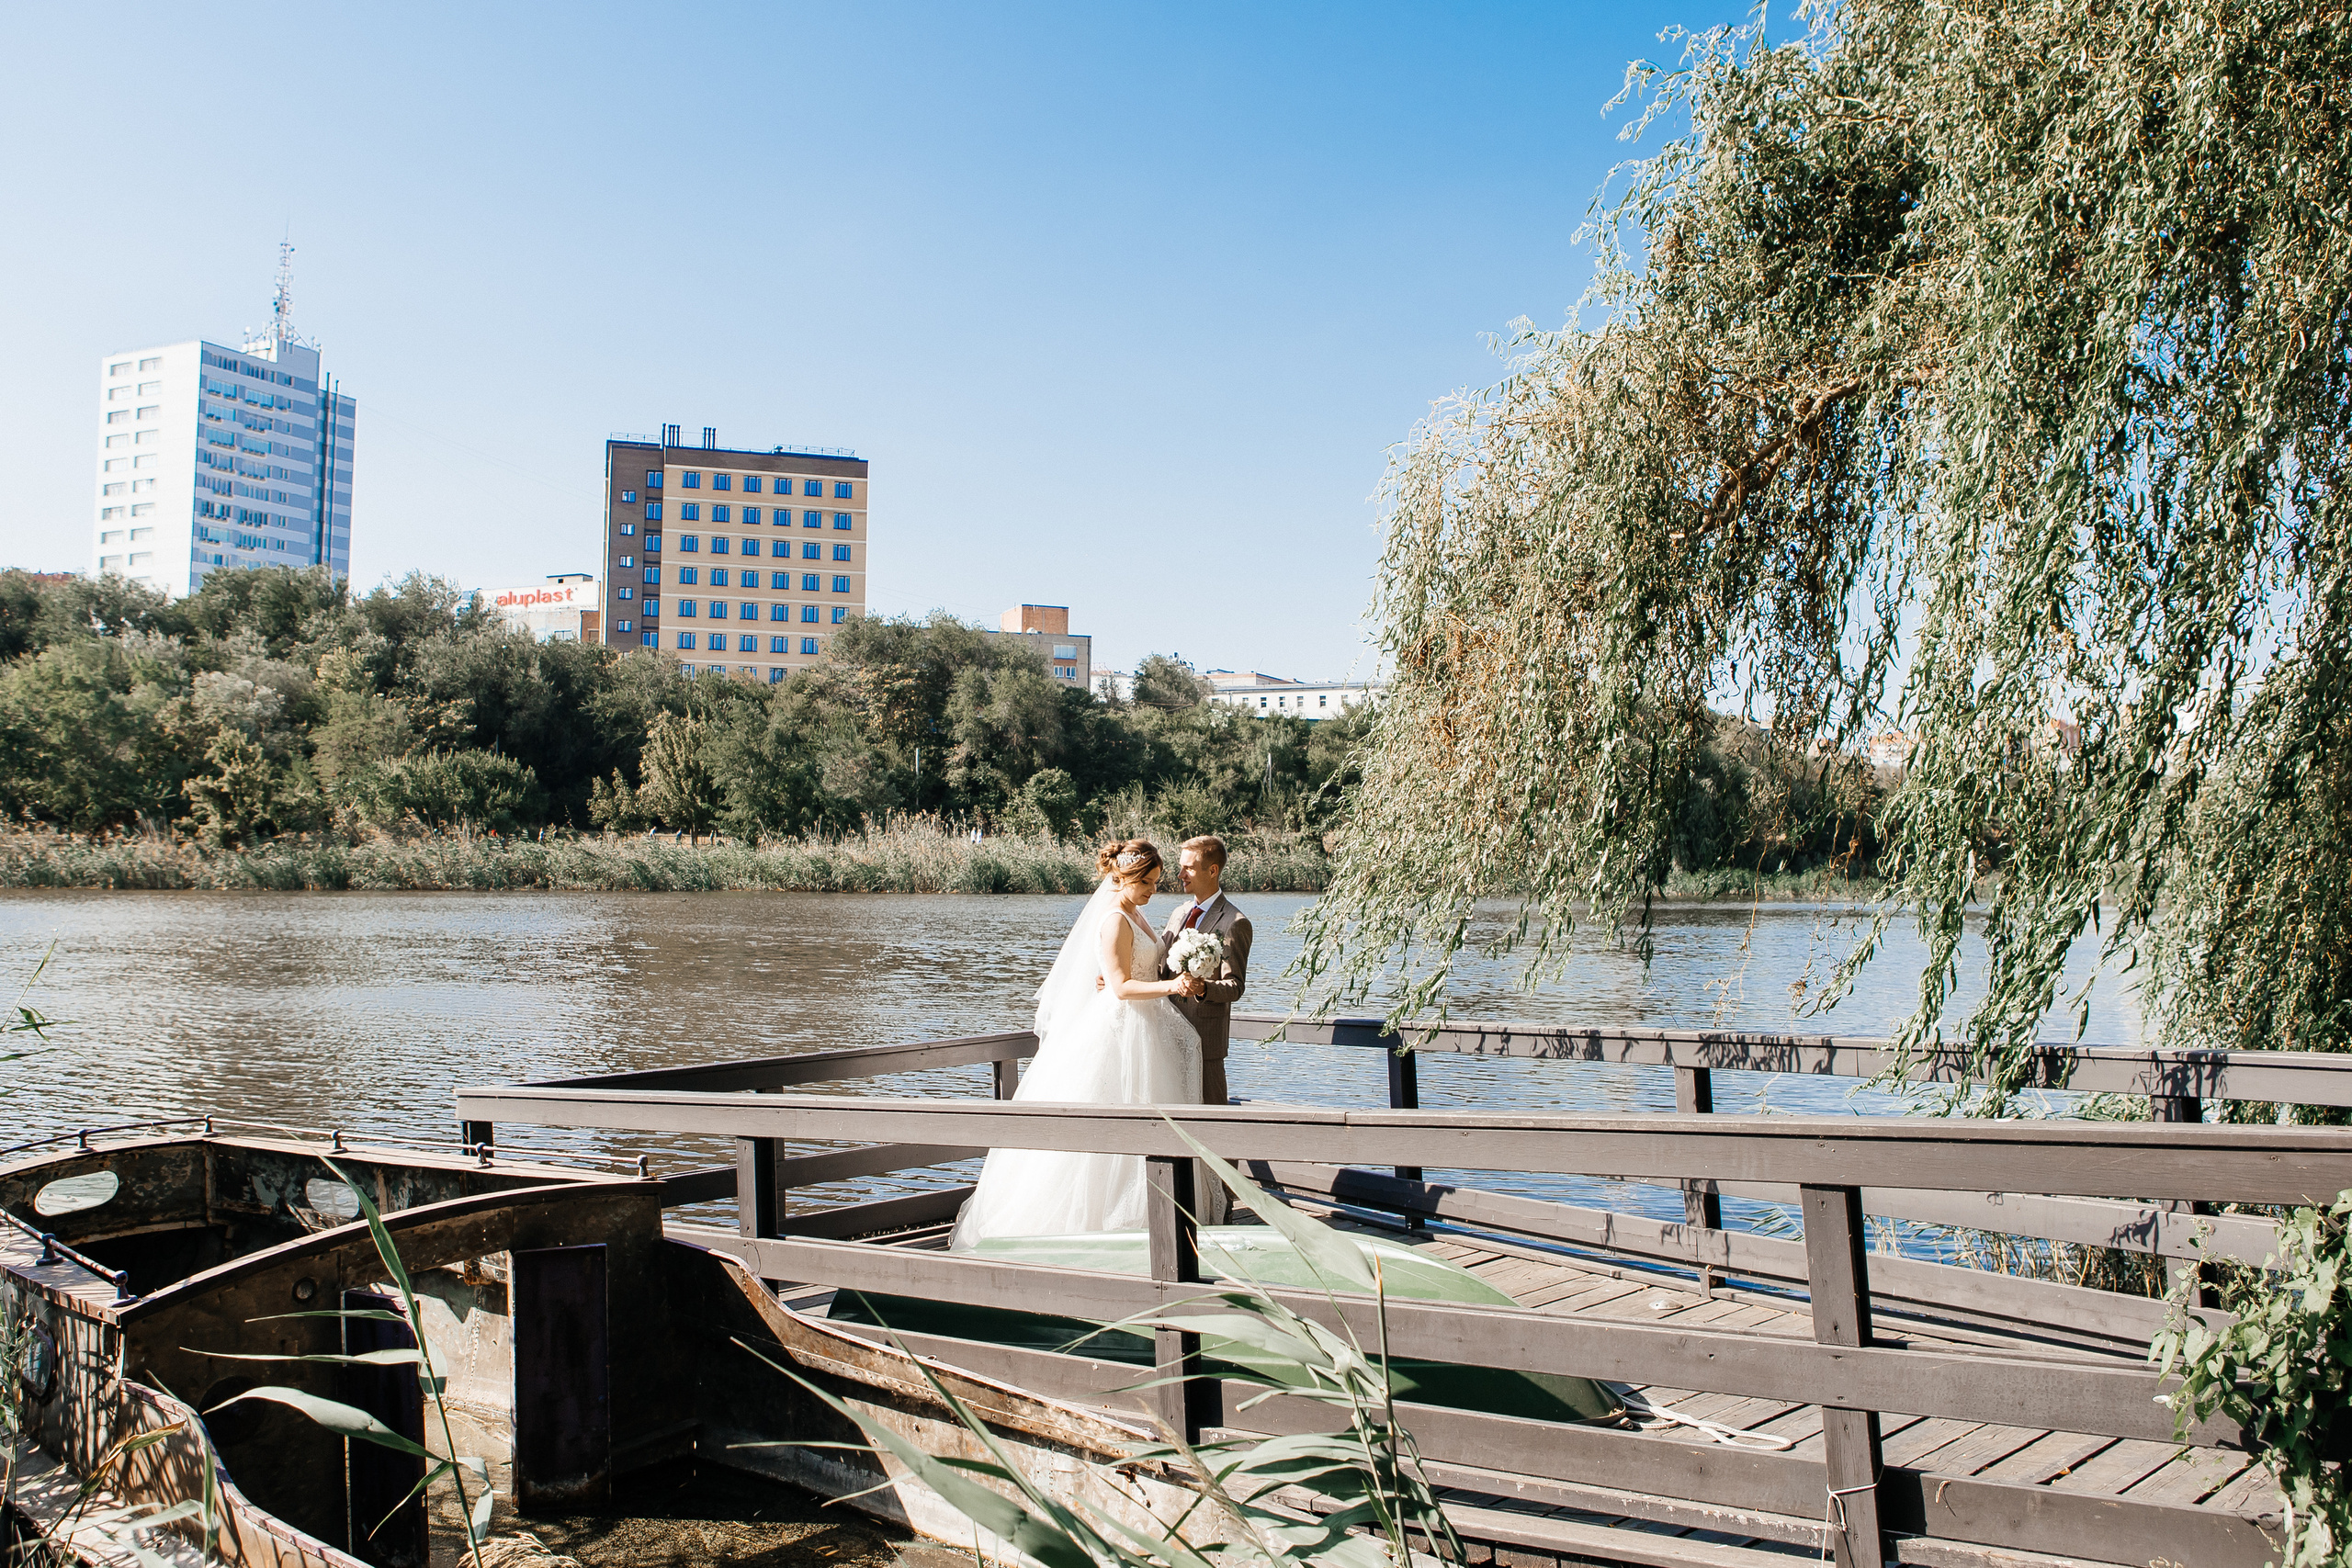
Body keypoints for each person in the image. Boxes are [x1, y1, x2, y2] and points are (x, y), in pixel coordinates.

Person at [947, 840, 1203, 1248]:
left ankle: (1154, 1231)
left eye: (1155, 882)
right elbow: (1119, 987)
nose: (1152, 891)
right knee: (1107, 1129)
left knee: (1147, 1125)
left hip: (1147, 1031)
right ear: (1123, 877)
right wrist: (1171, 984)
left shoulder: (1135, 914)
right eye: (1146, 883)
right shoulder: (1114, 919)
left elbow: (1122, 971)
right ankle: (1093, 1230)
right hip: (1119, 1033)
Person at [1160, 834, 1250, 1223]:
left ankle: (1222, 1205)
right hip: (1164, 1034)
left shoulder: (1235, 922)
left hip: (1206, 1041)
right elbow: (1160, 968)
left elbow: (1235, 987)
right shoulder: (1179, 913)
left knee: (1214, 1122)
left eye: (1189, 867)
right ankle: (1183, 1201)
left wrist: (1203, 988)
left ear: (1212, 870)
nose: (1180, 873)